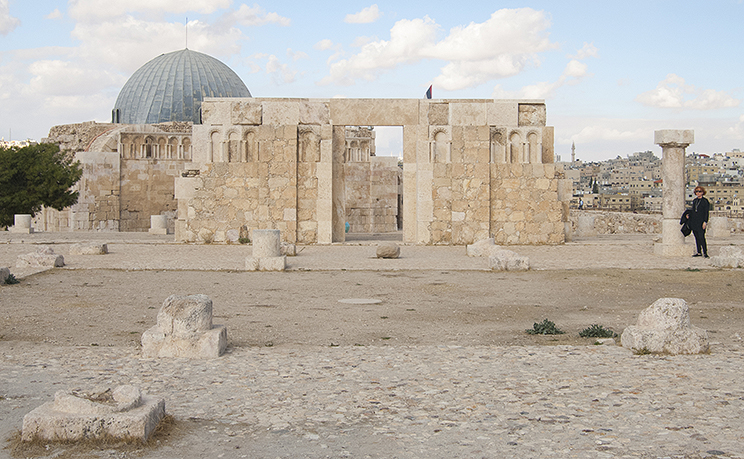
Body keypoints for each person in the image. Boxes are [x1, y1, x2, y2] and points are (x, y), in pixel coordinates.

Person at [686, 186, 710, 258]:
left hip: (701, 221)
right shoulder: (695, 201)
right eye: (697, 191)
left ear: (702, 192)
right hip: (694, 221)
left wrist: (705, 222)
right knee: (696, 237)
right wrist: (688, 215)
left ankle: (705, 252)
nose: (698, 193)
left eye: (699, 191)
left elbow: (706, 212)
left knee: (702, 237)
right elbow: (693, 210)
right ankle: (699, 252)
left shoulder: (705, 201)